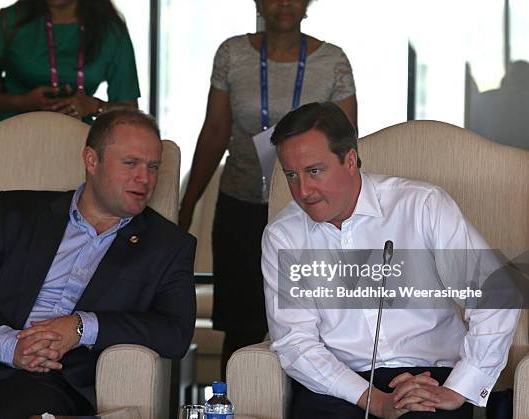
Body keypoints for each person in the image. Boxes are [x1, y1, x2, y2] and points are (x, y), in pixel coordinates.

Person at [0, 109, 196, 418]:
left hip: (53, 380)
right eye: (130, 163)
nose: (144, 179)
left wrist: (81, 326)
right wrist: (9, 347)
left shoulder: (168, 245)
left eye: (153, 167)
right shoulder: (19, 212)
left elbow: (175, 333)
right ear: (91, 161)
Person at [261, 102, 520, 418]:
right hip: (339, 385)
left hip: (427, 378)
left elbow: (496, 294)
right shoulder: (283, 235)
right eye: (291, 175)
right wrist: (373, 400)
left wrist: (459, 388)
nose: (303, 190)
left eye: (314, 171)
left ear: (351, 160)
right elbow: (295, 343)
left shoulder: (421, 206)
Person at [178, 0, 357, 377]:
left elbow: (344, 143)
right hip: (242, 204)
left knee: (311, 320)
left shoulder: (333, 61)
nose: (284, 5)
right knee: (240, 325)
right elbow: (214, 132)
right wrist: (188, 202)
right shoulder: (232, 53)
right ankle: (233, 406)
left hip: (309, 208)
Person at [0, 0, 140, 139]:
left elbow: (129, 109)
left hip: (77, 140)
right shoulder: (10, 20)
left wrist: (94, 106)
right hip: (7, 138)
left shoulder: (111, 29)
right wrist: (23, 102)